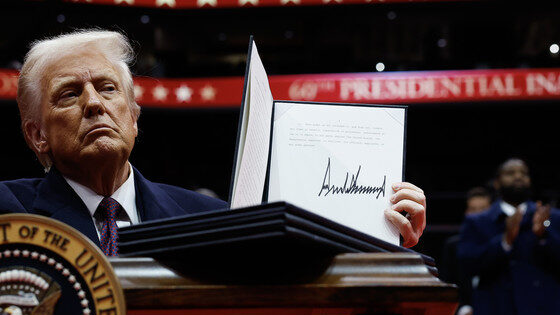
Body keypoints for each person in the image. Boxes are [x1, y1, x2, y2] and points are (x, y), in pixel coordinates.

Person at [0, 30, 427, 255]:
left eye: (108, 88)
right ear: (36, 135)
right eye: (70, 94)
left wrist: (384, 235)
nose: (94, 104)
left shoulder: (212, 221)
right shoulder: (8, 213)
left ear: (133, 116)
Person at [457, 158, 560, 315]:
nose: (518, 177)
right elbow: (466, 265)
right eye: (511, 173)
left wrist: (544, 237)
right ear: (497, 183)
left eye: (524, 173)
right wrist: (504, 242)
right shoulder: (478, 221)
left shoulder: (552, 218)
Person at [440, 187, 492, 315]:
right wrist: (463, 309)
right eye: (473, 209)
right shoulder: (453, 246)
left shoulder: (503, 245)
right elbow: (448, 284)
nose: (478, 215)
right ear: (467, 213)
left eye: (483, 209)